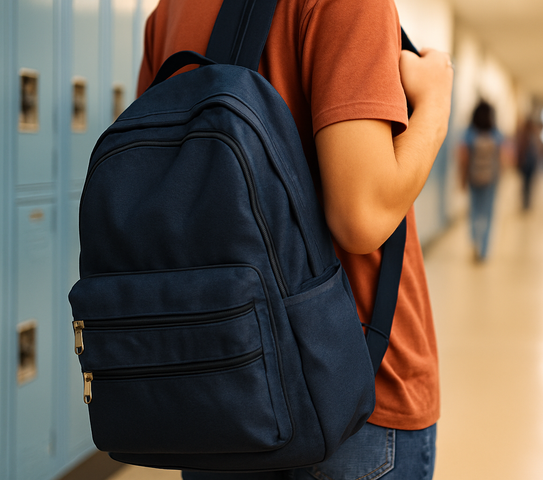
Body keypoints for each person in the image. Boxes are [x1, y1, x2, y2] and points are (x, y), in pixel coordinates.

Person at [136, 0, 453, 479]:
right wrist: (435, 103)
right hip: (353, 390)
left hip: (219, 382)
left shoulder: (168, 12)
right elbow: (361, 219)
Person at [458, 100, 503, 262]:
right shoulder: (496, 133)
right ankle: (484, 249)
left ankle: (474, 240)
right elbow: (503, 157)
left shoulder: (469, 133)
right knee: (488, 214)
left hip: (473, 177)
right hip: (491, 179)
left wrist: (462, 179)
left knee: (474, 211)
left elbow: (463, 158)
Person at [515, 116, 543, 211]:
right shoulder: (531, 136)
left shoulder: (525, 135)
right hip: (529, 164)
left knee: (525, 184)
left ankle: (526, 202)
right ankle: (526, 202)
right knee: (528, 184)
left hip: (526, 164)